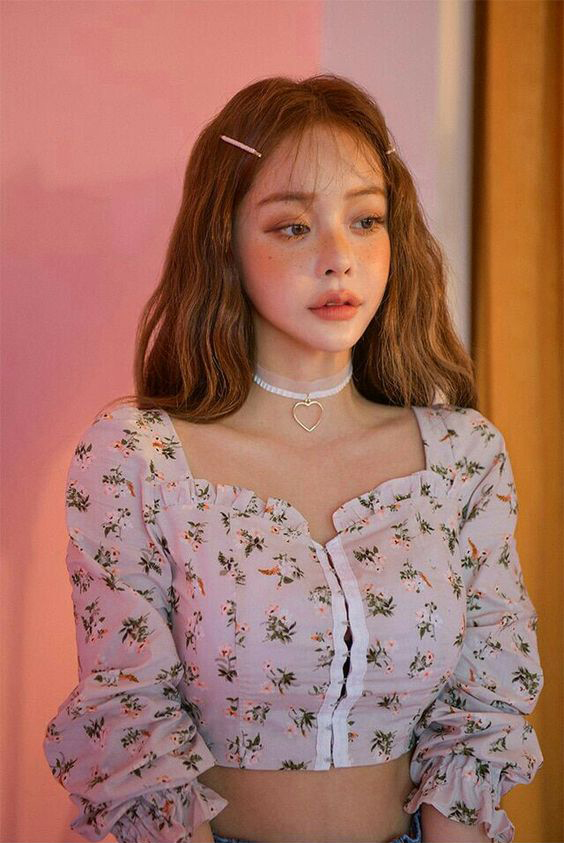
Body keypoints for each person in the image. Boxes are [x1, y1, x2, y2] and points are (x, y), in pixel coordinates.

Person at [43, 74, 544, 843]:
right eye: (292, 226)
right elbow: (130, 716)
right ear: (224, 241)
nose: (340, 258)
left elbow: (481, 711)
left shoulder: (462, 458)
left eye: (366, 219)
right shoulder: (138, 459)